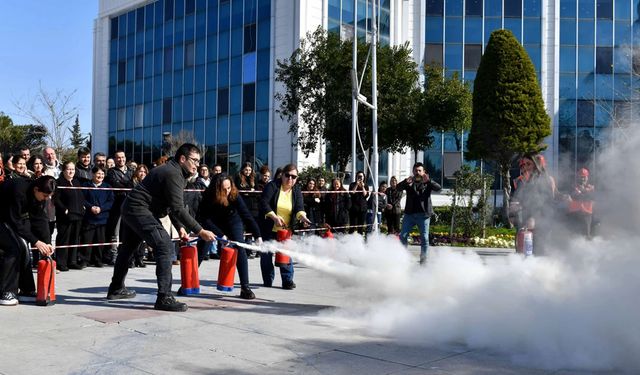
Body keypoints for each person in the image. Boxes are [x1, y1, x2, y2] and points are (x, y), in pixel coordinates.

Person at [106, 143, 216, 312]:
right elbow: (178, 208)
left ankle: (116, 288)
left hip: (132, 208)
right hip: (139, 209)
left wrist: (180, 228)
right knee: (164, 246)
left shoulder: (174, 171)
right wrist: (200, 230)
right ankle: (164, 297)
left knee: (128, 249)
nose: (197, 165)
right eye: (194, 160)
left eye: (199, 161)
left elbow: (171, 206)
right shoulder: (173, 173)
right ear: (182, 158)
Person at [197, 175, 262, 299]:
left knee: (240, 248)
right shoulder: (208, 196)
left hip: (233, 221)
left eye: (229, 188)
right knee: (201, 250)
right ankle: (189, 283)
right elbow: (204, 219)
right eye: (223, 189)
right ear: (216, 189)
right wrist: (221, 235)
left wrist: (257, 235)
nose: (227, 191)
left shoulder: (234, 194)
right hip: (213, 223)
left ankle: (245, 287)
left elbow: (246, 215)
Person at [0, 176, 56, 306]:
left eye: (49, 196)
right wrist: (36, 241)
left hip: (9, 217)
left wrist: (46, 242)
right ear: (36, 189)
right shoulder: (18, 191)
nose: (46, 199)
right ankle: (6, 292)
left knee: (24, 247)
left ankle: (26, 290)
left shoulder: (38, 194)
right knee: (13, 248)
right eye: (45, 195)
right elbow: (14, 221)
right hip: (5, 217)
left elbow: (40, 219)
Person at [259, 163, 311, 289]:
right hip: (269, 226)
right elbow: (264, 203)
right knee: (266, 255)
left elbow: (299, 207)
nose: (290, 179)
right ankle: (268, 279)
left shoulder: (296, 190)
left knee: (286, 253)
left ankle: (287, 280)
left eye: (294, 177)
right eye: (287, 175)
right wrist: (275, 217)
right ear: (282, 175)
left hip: (286, 229)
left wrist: (303, 217)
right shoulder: (272, 186)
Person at [510, 153, 556, 256]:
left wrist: (534, 218)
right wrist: (512, 213)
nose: (525, 167)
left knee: (539, 253)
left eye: (528, 164)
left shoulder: (545, 180)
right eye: (523, 165)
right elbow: (515, 198)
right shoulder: (521, 181)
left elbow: (547, 202)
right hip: (524, 221)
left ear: (535, 165)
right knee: (522, 252)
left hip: (541, 222)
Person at [398, 162, 442, 265]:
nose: (417, 172)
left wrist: (429, 181)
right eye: (415, 170)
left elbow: (439, 188)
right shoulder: (409, 182)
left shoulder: (428, 182)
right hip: (409, 214)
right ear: (413, 171)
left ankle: (423, 261)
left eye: (419, 170)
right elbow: (398, 188)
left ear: (423, 172)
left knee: (425, 238)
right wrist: (405, 182)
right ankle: (402, 259)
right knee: (403, 236)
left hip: (424, 215)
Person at [54, 161, 86, 271]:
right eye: (69, 169)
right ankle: (61, 262)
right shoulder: (59, 182)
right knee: (64, 239)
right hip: (65, 216)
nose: (71, 171)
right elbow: (56, 199)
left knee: (75, 239)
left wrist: (83, 207)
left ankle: (72, 261)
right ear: (63, 170)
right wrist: (64, 209)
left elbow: (81, 197)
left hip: (78, 215)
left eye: (73, 169)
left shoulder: (76, 182)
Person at [81, 166, 114, 268]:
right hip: (89, 218)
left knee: (100, 241)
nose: (100, 176)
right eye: (98, 173)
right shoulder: (86, 185)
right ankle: (85, 260)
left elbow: (111, 201)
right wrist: (90, 207)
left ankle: (98, 260)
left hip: (102, 218)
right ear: (93, 174)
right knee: (87, 240)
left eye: (102, 174)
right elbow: (82, 199)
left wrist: (101, 208)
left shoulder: (107, 187)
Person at [104, 151, 134, 265]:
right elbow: (115, 185)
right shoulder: (111, 172)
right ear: (115, 160)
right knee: (115, 232)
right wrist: (127, 184)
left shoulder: (131, 171)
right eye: (118, 158)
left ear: (125, 158)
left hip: (130, 205)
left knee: (128, 231)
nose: (120, 160)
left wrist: (125, 184)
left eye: (122, 157)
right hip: (117, 205)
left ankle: (127, 256)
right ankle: (114, 255)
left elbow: (133, 184)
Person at [568, 167, 595, 239]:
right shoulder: (574, 187)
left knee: (586, 233)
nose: (582, 179)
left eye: (584, 177)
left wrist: (582, 192)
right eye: (581, 177)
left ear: (587, 177)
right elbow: (574, 194)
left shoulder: (591, 187)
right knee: (574, 233)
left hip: (587, 213)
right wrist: (582, 192)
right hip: (575, 213)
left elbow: (591, 196)